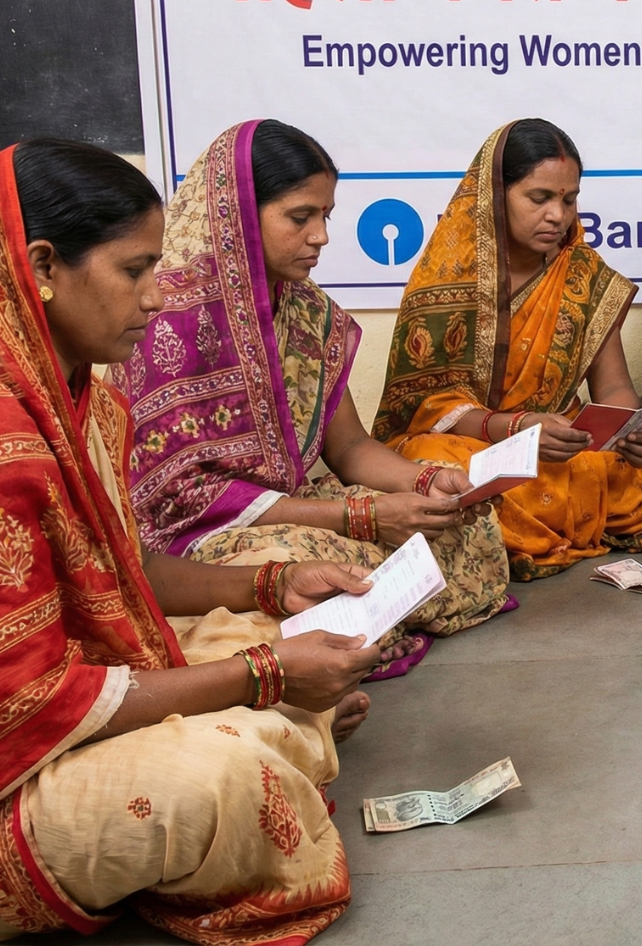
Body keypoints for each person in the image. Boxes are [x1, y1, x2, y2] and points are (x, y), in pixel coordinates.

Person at [0, 137, 382, 943]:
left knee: (267, 629)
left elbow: (130, 569)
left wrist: (274, 586)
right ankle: (276, 731)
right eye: (134, 270)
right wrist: (266, 676)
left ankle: (277, 721)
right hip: (16, 770)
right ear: (42, 265)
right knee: (228, 771)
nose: (153, 297)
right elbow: (33, 702)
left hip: (87, 688)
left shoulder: (83, 401)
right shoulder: (7, 438)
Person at [115, 120, 510, 678]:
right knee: (306, 563)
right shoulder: (166, 321)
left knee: (460, 528)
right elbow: (178, 498)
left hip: (292, 504)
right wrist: (360, 516)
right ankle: (355, 630)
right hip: (194, 542)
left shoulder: (305, 310)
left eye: (326, 216)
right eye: (300, 217)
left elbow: (348, 446)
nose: (320, 236)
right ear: (237, 213)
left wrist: (424, 482)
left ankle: (366, 625)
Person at [372, 119, 642, 581]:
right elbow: (421, 408)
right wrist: (516, 428)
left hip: (561, 446)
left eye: (569, 200)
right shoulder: (448, 279)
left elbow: (614, 388)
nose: (558, 215)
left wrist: (632, 432)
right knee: (434, 462)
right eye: (540, 198)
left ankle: (531, 528)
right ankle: (560, 517)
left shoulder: (582, 272)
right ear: (496, 194)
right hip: (481, 443)